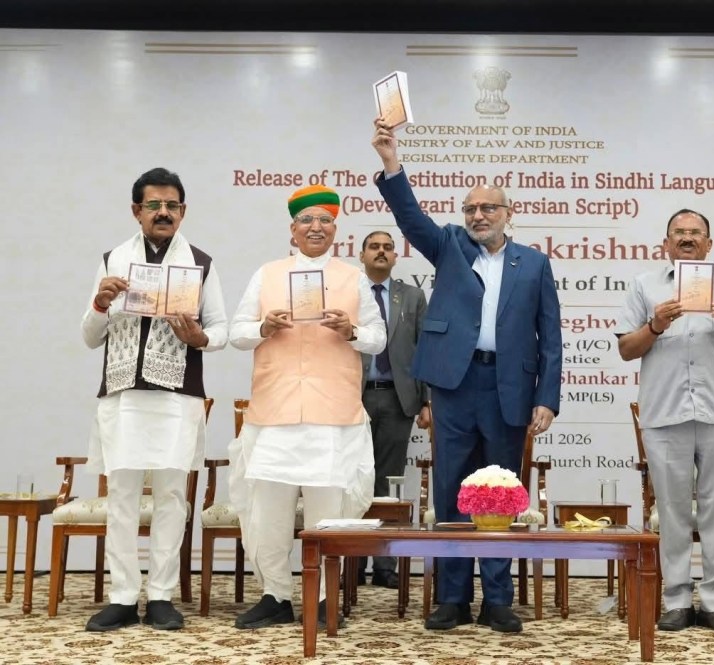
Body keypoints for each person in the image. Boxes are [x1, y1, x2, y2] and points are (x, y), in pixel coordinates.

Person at [371, 117, 562, 633]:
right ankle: (452, 597)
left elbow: (551, 335)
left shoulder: (534, 264)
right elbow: (411, 218)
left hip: (509, 388)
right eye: (471, 209)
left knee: (500, 490)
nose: (478, 215)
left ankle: (497, 599)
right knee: (453, 489)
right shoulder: (450, 245)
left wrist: (546, 398)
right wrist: (392, 163)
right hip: (455, 385)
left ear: (508, 214)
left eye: (488, 208)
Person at [228, 185, 386, 630]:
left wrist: (351, 331)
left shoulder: (352, 278)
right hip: (274, 412)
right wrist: (264, 326)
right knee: (269, 514)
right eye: (307, 220)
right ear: (292, 229)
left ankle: (321, 599)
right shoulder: (268, 274)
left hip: (331, 415)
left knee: (327, 515)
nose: (316, 227)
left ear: (335, 229)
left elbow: (378, 338)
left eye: (325, 220)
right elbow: (237, 333)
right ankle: (275, 595)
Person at [82, 167, 228, 632]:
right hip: (123, 396)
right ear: (136, 211)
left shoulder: (200, 262)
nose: (163, 212)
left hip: (177, 397)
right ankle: (123, 597)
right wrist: (100, 303)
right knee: (122, 498)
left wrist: (199, 337)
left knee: (171, 497)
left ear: (183, 211)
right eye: (154, 205)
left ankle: (162, 595)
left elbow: (221, 330)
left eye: (172, 205)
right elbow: (89, 336)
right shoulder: (113, 260)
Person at [615, 208, 714, 634]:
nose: (687, 238)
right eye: (679, 232)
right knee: (672, 511)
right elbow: (626, 349)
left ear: (709, 244)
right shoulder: (644, 286)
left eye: (696, 232)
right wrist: (655, 325)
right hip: (665, 412)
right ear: (666, 243)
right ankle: (677, 600)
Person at [357, 230, 431, 589]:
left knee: (388, 481)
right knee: (353, 480)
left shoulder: (412, 296)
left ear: (395, 257)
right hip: (352, 398)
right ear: (362, 255)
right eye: (374, 247)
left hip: (397, 398)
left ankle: (384, 565)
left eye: (388, 247)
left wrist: (427, 401)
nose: (381, 252)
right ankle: (352, 563)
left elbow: (425, 349)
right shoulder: (348, 292)